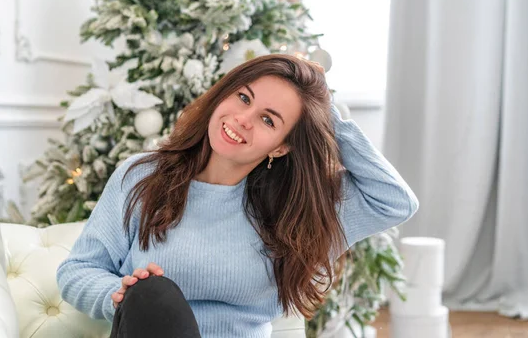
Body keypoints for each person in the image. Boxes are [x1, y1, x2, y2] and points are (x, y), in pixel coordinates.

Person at [56, 53, 419, 337]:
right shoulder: (143, 177)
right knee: (154, 295)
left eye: (268, 120)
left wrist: (327, 116)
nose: (244, 118)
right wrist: (118, 295)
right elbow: (78, 270)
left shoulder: (294, 210)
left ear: (282, 147)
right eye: (243, 97)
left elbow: (395, 201)